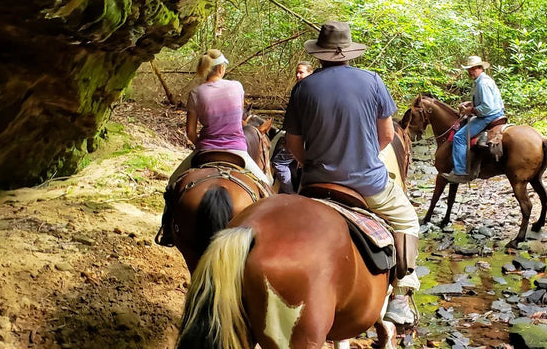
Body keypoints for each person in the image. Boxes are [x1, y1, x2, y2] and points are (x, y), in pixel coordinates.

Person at [283, 21, 420, 327]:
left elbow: (293, 144)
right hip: (366, 183)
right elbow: (387, 134)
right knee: (407, 219)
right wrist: (367, 154)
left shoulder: (303, 87)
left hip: (316, 183)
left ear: (319, 54)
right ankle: (401, 295)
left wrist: (312, 164)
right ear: (349, 54)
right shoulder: (372, 80)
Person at [167, 49, 272, 187]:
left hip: (206, 149)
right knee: (266, 184)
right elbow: (238, 117)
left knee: (171, 184)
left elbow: (191, 133)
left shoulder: (195, 93)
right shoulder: (236, 86)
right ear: (221, 68)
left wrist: (201, 145)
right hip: (237, 150)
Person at [440, 55, 505, 184]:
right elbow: (484, 101)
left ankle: (460, 172)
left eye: (474, 69)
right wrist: (470, 104)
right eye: (470, 69)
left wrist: (472, 110)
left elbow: (487, 107)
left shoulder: (482, 83)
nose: (471, 71)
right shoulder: (483, 80)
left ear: (480, 68)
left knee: (459, 137)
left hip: (489, 115)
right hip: (494, 112)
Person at [272, 61, 313, 194]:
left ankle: (290, 194)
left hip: (304, 136)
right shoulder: (314, 89)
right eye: (297, 72)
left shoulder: (302, 90)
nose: (297, 75)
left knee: (279, 162)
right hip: (314, 134)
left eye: (301, 72)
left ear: (310, 73)